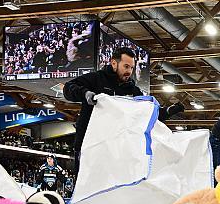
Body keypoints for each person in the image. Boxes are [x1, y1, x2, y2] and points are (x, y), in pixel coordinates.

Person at [63, 46, 184, 176]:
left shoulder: (132, 90)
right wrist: (85, 93)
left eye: (131, 67)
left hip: (118, 151)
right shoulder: (96, 79)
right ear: (114, 63)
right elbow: (68, 88)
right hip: (90, 146)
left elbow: (148, 116)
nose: (129, 71)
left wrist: (170, 110)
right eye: (126, 66)